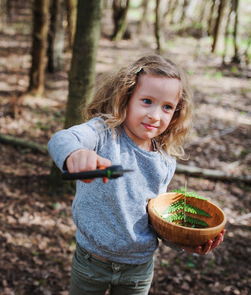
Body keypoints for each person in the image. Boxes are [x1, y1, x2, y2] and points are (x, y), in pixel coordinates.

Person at [47, 54, 225, 294]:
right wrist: (75, 154)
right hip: (91, 261)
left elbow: (155, 220)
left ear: (176, 113)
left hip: (138, 269)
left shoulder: (164, 161)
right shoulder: (102, 133)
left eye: (167, 107)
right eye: (147, 101)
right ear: (126, 98)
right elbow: (62, 139)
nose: (155, 115)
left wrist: (185, 243)